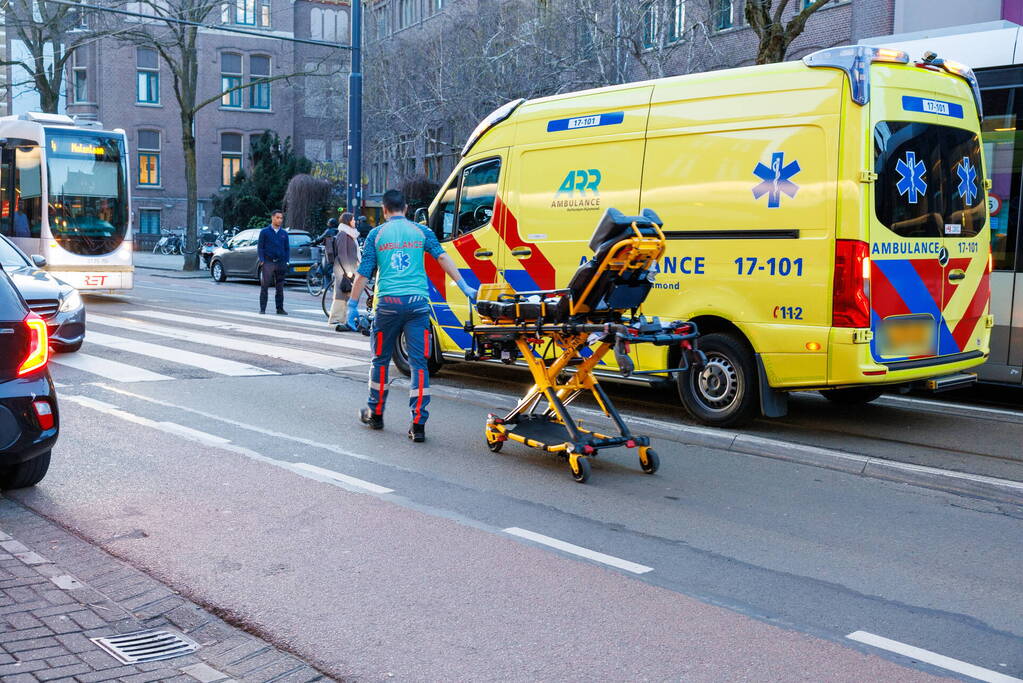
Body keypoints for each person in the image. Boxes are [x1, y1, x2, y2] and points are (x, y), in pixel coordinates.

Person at [346, 189, 477, 443]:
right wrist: (464, 286)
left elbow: (363, 273)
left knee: (380, 361)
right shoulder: (422, 232)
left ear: (384, 210)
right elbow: (442, 256)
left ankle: (375, 413)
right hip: (418, 305)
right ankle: (418, 424)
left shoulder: (376, 234)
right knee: (419, 364)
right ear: (406, 208)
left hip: (388, 307)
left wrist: (352, 305)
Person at [328, 212, 360, 328]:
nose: (355, 221)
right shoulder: (343, 234)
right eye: (353, 219)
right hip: (343, 268)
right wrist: (348, 270)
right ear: (347, 221)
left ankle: (344, 318)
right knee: (341, 293)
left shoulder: (351, 234)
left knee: (348, 293)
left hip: (350, 268)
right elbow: (342, 254)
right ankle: (335, 318)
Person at [257, 209, 289, 315]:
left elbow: (287, 248)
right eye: (277, 217)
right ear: (272, 218)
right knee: (264, 286)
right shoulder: (264, 232)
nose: (280, 220)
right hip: (268, 262)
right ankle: (262, 309)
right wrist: (262, 260)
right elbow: (260, 247)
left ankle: (279, 309)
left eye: (281, 218)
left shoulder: (284, 233)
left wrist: (286, 261)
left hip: (281, 263)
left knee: (280, 288)